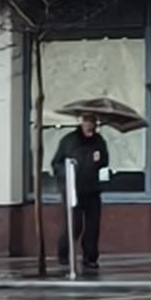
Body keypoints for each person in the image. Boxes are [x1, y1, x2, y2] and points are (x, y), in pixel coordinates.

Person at [55, 116, 111, 279]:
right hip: (73, 190)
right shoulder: (69, 141)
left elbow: (105, 162)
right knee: (74, 225)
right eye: (87, 122)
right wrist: (68, 170)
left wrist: (99, 162)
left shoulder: (99, 141)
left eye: (93, 123)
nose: (90, 126)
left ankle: (90, 258)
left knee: (93, 226)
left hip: (93, 190)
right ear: (81, 123)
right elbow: (56, 164)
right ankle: (64, 255)